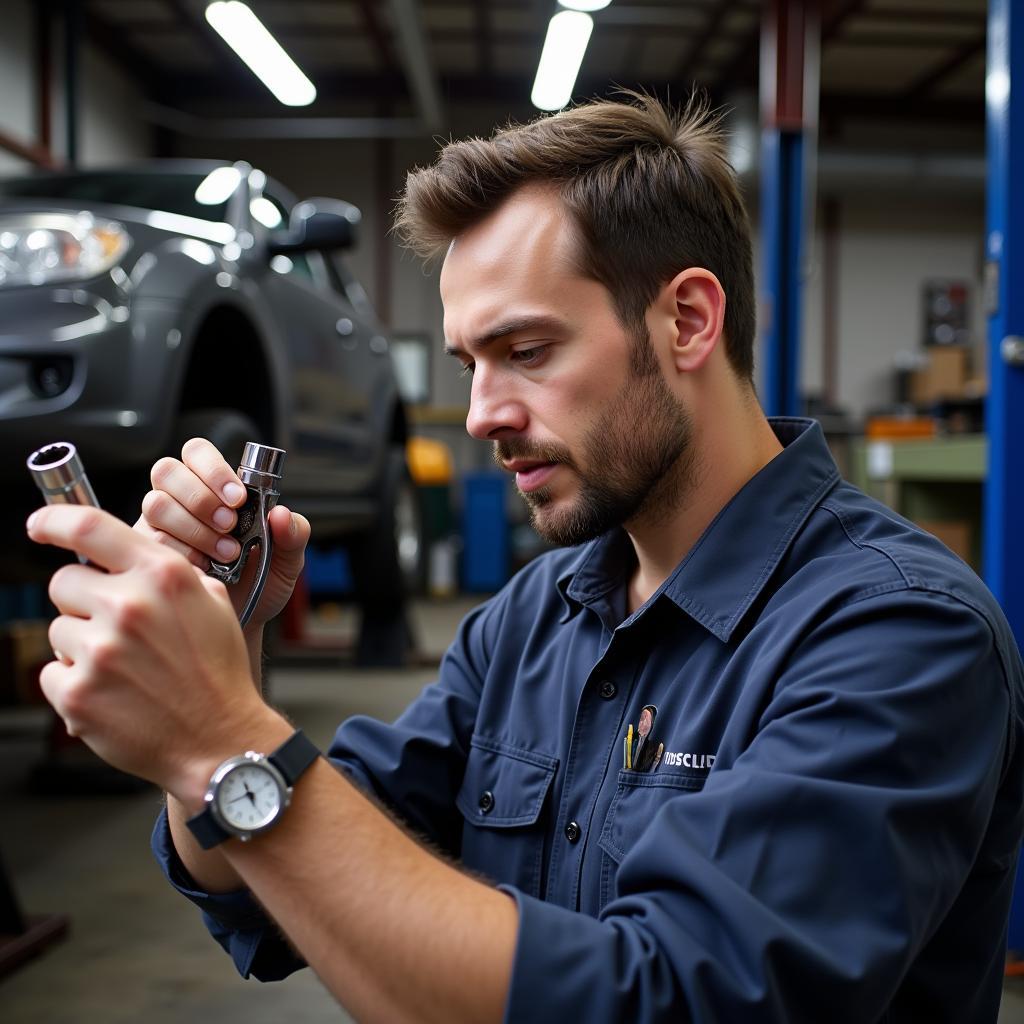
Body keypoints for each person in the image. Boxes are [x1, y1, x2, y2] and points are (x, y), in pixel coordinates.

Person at [27, 93, 1024, 1023]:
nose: (479, 417)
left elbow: (672, 996)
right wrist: (215, 685)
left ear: (686, 320)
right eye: (470, 365)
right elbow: (275, 892)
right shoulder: (536, 614)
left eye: (528, 351)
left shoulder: (898, 630)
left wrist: (223, 737)